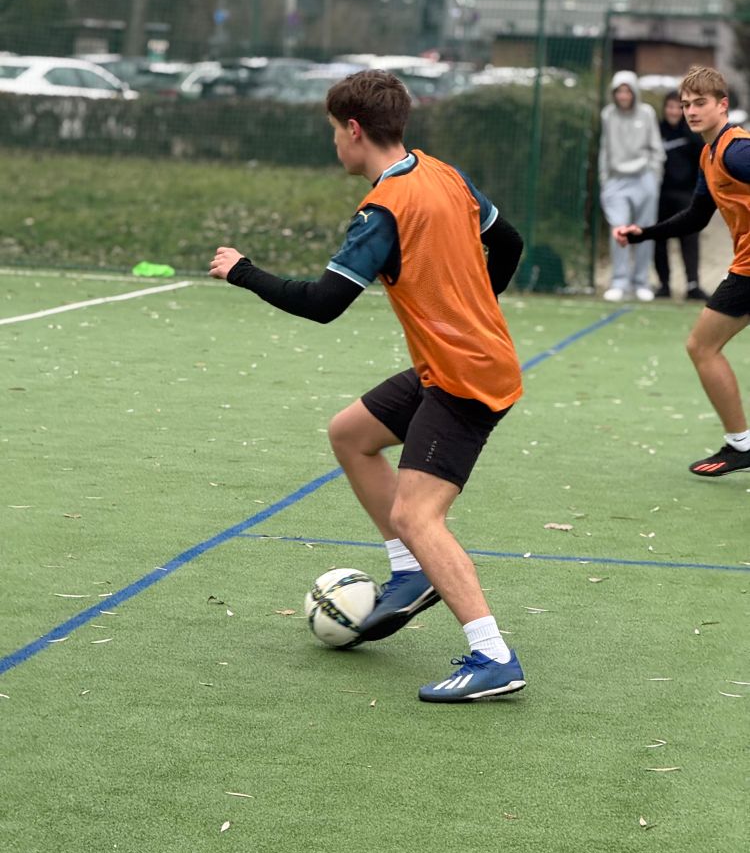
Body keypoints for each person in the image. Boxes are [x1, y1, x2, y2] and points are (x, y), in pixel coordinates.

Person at [209, 69, 528, 702]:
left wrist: (242, 271)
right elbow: (510, 243)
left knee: (416, 514)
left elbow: (323, 303)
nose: (335, 142)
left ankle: (493, 655)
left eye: (335, 131)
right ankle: (411, 573)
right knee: (351, 434)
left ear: (354, 130)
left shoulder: (383, 210)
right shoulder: (444, 174)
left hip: (465, 378)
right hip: (460, 361)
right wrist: (473, 309)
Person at [613, 65, 750, 477]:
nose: (691, 111)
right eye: (686, 104)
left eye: (700, 103)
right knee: (702, 347)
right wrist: (643, 233)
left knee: (702, 347)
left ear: (722, 105)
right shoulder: (710, 155)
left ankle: (741, 444)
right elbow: (695, 217)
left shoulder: (736, 151)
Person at [599, 70, 666, 302]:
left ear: (634, 92)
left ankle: (641, 282)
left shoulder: (646, 113)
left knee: (643, 231)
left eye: (627, 91)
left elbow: (656, 147)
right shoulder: (608, 114)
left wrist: (654, 177)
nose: (623, 96)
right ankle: (619, 281)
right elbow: (605, 148)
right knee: (619, 230)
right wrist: (605, 179)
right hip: (616, 179)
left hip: (644, 178)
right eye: (619, 91)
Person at [654, 90, 707, 301]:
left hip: (686, 195)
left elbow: (703, 164)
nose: (674, 111)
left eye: (679, 107)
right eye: (670, 107)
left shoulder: (693, 133)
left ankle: (692, 285)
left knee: (690, 239)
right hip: (660, 195)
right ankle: (664, 285)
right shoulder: (656, 130)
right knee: (659, 239)